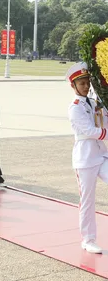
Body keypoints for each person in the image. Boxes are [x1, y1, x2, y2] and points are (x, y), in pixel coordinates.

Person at [66, 62, 108, 254]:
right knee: (87, 201)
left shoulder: (94, 101)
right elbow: (90, 130)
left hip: (100, 154)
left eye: (87, 82)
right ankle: (88, 239)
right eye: (81, 83)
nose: (86, 86)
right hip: (85, 159)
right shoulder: (74, 108)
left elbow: (105, 120)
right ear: (73, 86)